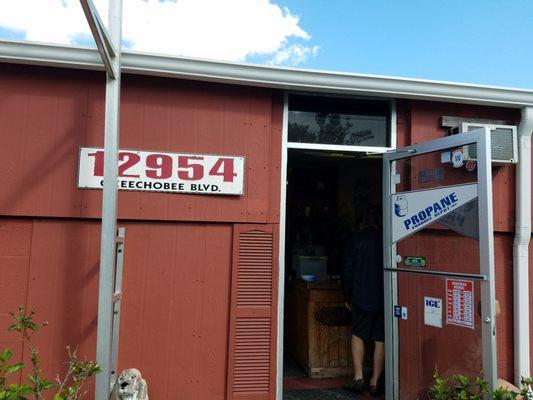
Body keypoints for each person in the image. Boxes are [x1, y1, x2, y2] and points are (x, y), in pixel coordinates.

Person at [342, 209, 384, 396]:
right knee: (380, 338)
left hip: (361, 296)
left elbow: (348, 270)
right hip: (383, 297)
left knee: (358, 334)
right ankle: (375, 381)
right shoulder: (387, 239)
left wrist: (347, 295)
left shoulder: (356, 240)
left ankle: (358, 378)